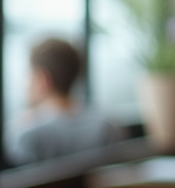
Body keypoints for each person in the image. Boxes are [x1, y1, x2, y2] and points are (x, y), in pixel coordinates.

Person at [3, 38, 119, 167]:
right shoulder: (106, 128)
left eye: (29, 75)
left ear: (43, 80)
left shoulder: (26, 136)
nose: (24, 85)